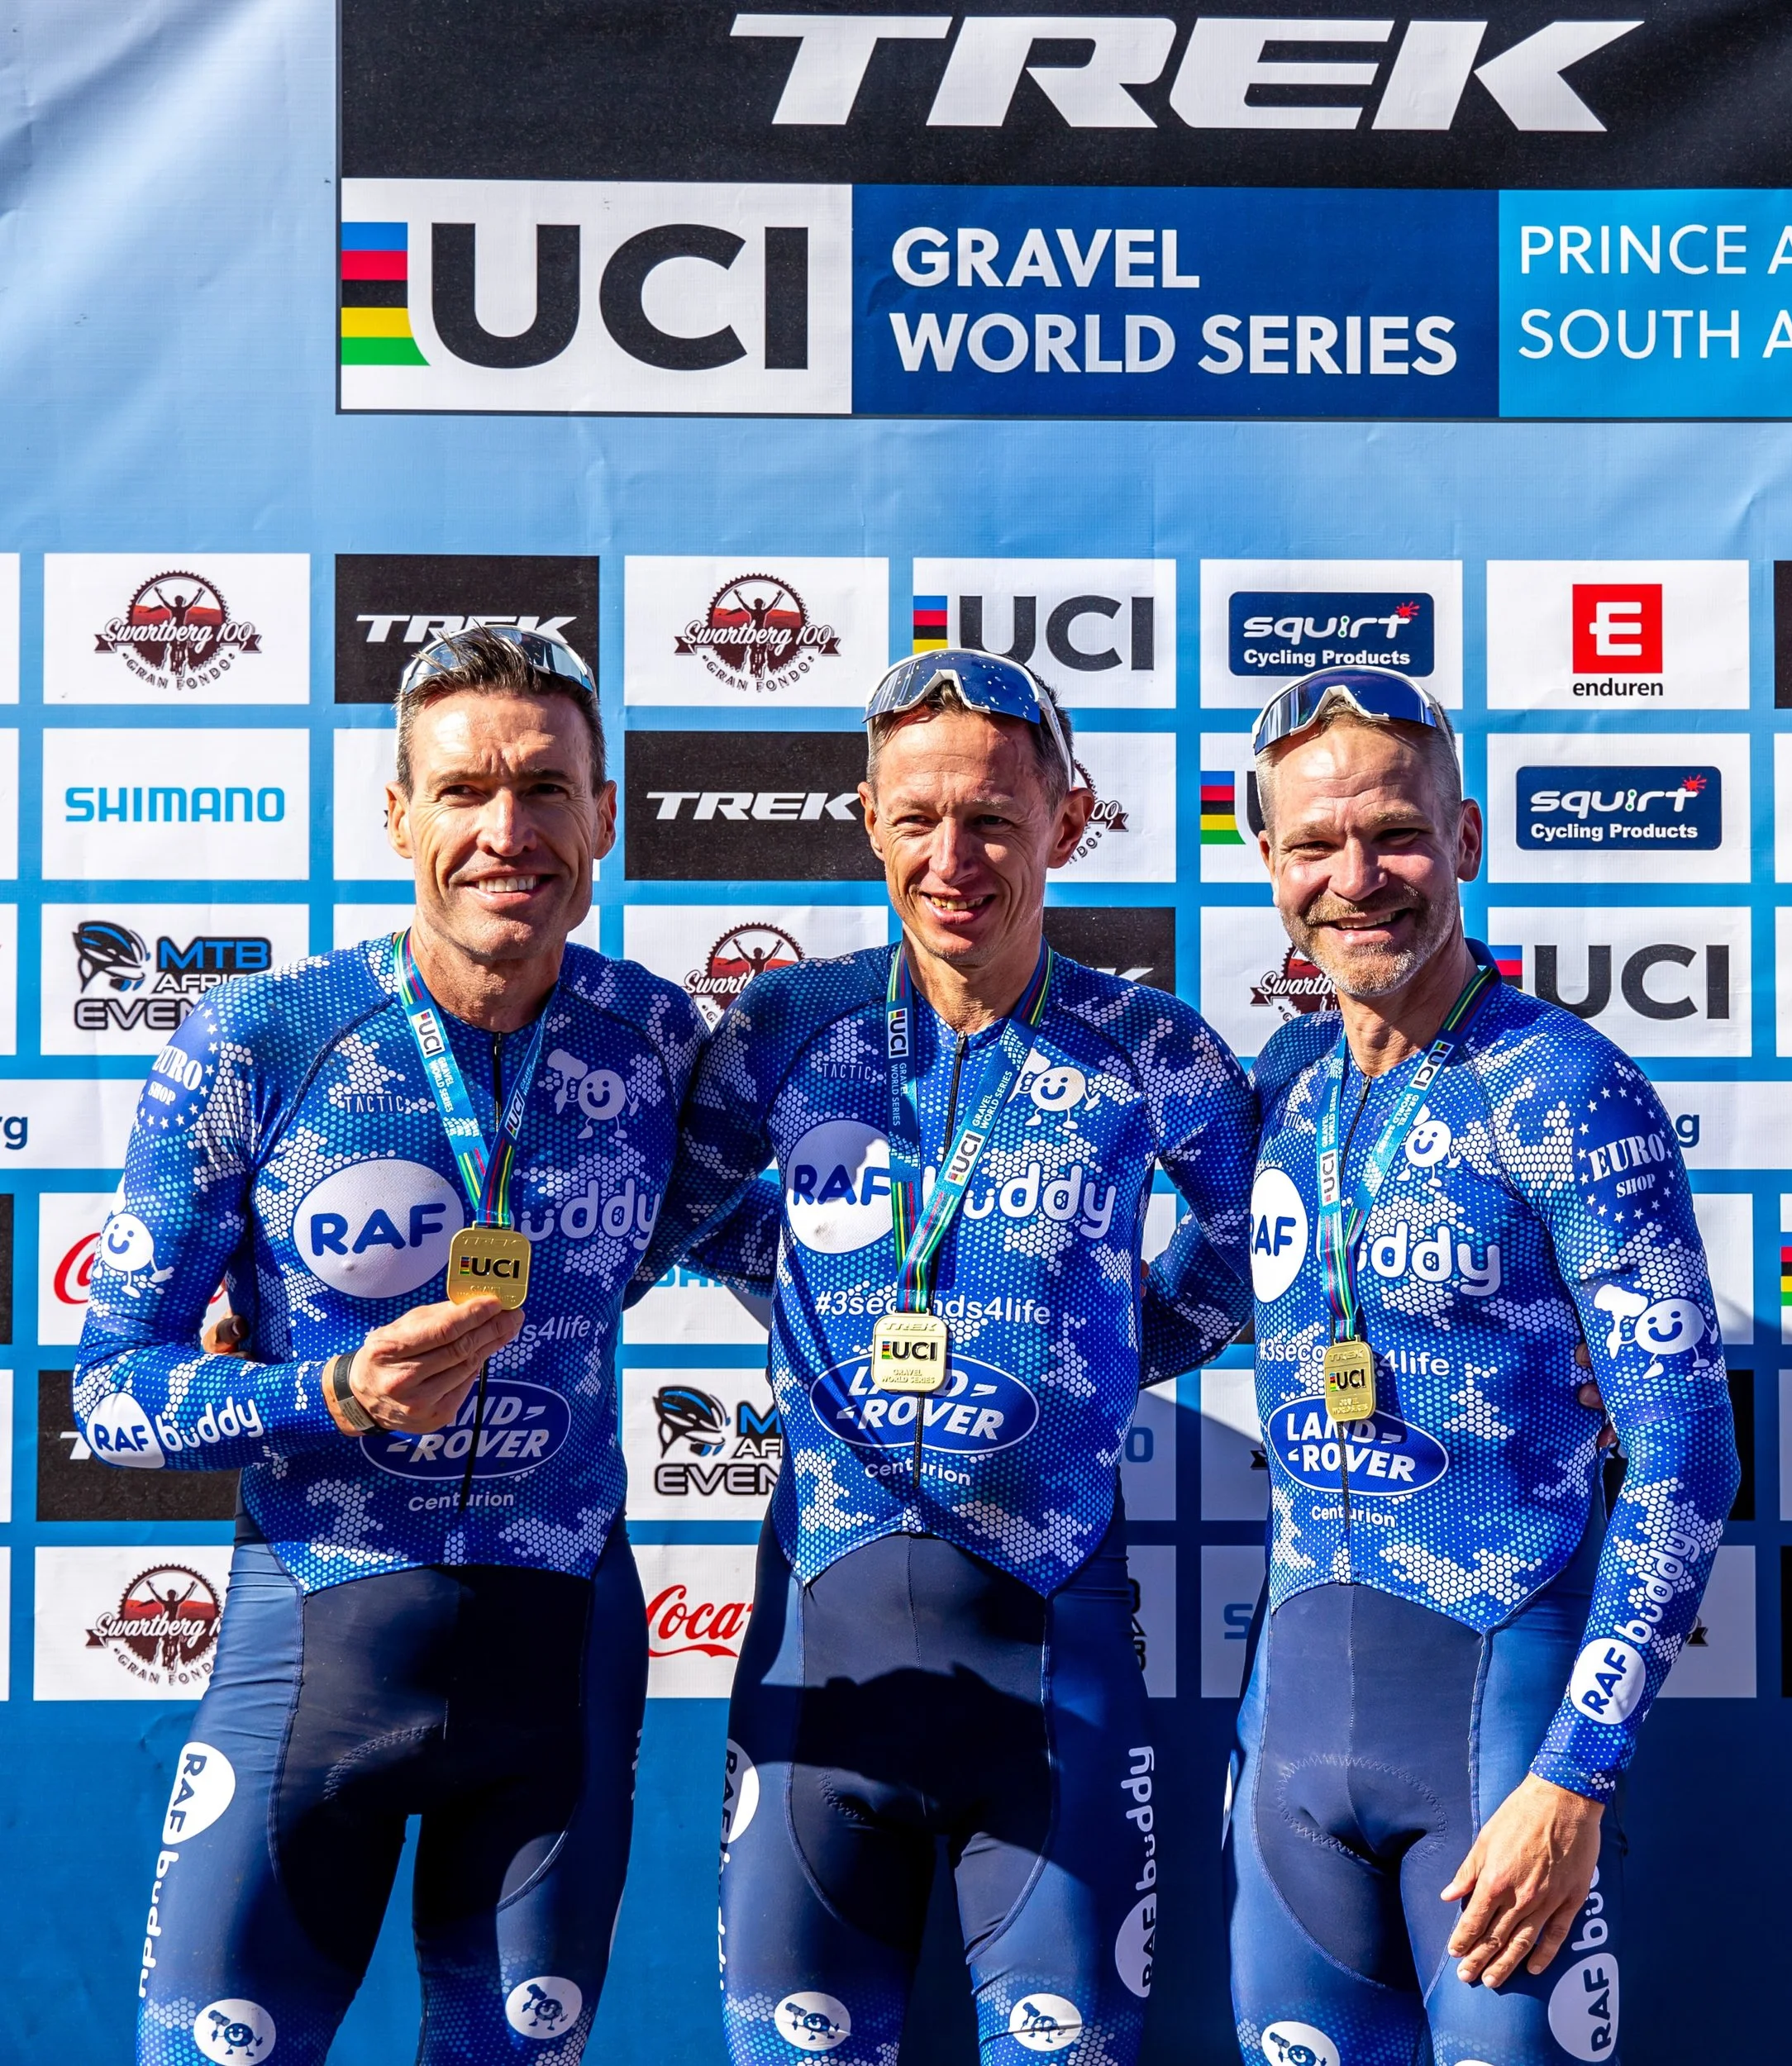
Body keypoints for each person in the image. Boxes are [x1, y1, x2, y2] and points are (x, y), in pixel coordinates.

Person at [75, 626, 765, 2066]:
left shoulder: (657, 1040)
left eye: (544, 790)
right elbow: (110, 1391)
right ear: (397, 816)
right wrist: (324, 1390)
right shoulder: (263, 1042)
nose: (504, 832)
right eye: (461, 792)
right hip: (317, 1643)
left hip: (560, 1648)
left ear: (604, 816)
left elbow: (754, 1242)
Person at [679, 650, 1258, 2066]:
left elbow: (1263, 1252)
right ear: (869, 820)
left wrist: (1103, 1346)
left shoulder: (1151, 1049)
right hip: (823, 1661)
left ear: (1067, 824)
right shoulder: (783, 1030)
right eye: (920, 817)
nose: (956, 859)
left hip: (1053, 1677)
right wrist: (815, 1289)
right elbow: (672, 1207)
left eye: (995, 819)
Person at [1225, 668, 1738, 2066]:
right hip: (1289, 1764)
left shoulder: (1564, 1086)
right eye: (1315, 846)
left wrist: (1574, 1777)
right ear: (1267, 862)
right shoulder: (1281, 1089)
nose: (1357, 879)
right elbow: (1158, 1310)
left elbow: (1689, 1454)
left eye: (1393, 833)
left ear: (1462, 839)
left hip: (1499, 1754)